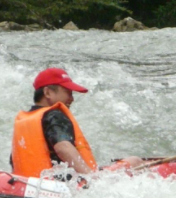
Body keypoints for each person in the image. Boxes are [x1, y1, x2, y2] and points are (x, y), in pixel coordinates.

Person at [10, 67, 142, 178]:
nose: (72, 98)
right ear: (47, 92)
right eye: (67, 92)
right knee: (135, 161)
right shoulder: (54, 115)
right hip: (61, 187)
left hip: (30, 187)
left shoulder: (24, 120)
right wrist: (92, 178)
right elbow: (62, 148)